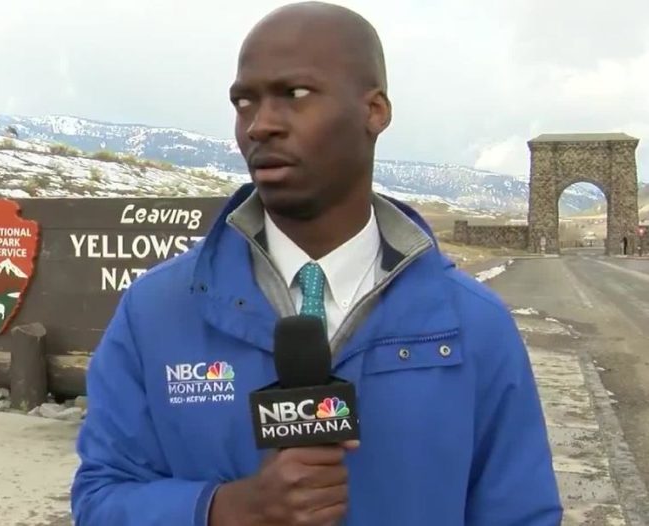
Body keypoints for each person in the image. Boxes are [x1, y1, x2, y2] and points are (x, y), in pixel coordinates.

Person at [70, 2, 563, 525]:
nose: (260, 125)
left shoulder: (473, 325)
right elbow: (100, 500)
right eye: (244, 102)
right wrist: (224, 510)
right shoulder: (156, 312)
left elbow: (521, 514)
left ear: (375, 111)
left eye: (296, 94)